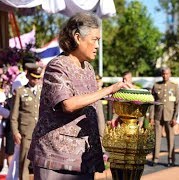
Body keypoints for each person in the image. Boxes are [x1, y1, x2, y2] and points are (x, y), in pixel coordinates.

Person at [27, 12, 130, 180]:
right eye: (94, 40)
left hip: (84, 156)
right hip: (56, 156)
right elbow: (68, 104)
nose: (98, 46)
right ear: (77, 37)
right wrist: (107, 90)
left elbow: (93, 105)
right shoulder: (58, 66)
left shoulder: (88, 68)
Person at [10, 66, 43, 180]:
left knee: (40, 162)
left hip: (40, 132)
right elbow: (14, 115)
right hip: (26, 133)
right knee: (24, 161)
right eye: (34, 78)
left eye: (38, 78)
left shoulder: (42, 91)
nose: (36, 81)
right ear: (28, 76)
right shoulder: (20, 91)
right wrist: (15, 132)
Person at [150, 67, 179, 167]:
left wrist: (175, 117)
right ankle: (155, 158)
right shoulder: (156, 85)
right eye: (163, 74)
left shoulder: (174, 86)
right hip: (158, 116)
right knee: (156, 138)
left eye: (167, 74)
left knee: (170, 138)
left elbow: (177, 103)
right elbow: (152, 102)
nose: (165, 75)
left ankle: (171, 159)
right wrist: (151, 117)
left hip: (169, 116)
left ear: (170, 74)